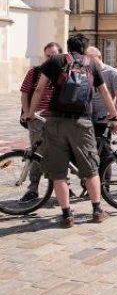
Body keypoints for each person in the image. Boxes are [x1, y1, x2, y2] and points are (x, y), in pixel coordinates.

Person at [22, 34, 117, 227]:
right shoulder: (91, 63)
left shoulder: (56, 61)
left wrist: (30, 113)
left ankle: (67, 215)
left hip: (56, 121)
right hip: (82, 122)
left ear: (67, 47)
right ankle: (97, 211)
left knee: (58, 172)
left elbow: (39, 89)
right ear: (85, 48)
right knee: (91, 170)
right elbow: (104, 91)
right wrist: (114, 113)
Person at [18, 41, 63, 202]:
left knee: (60, 154)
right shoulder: (35, 72)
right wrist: (28, 113)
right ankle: (33, 188)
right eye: (48, 55)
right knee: (36, 153)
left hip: (58, 119)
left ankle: (64, 187)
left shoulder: (64, 73)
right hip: (36, 119)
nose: (50, 58)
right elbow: (24, 93)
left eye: (54, 55)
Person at [84, 46, 117, 163]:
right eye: (86, 58)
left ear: (99, 57)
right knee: (88, 154)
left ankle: (105, 179)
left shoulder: (112, 72)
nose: (88, 61)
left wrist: (116, 118)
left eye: (90, 58)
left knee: (104, 154)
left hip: (103, 119)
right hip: (88, 119)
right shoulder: (86, 72)